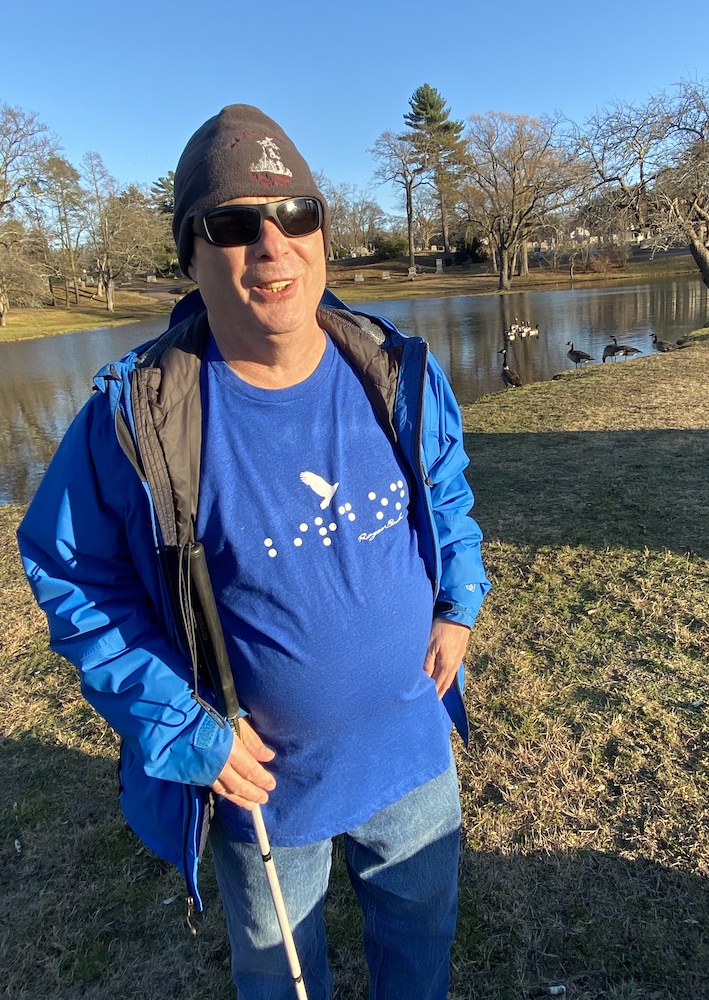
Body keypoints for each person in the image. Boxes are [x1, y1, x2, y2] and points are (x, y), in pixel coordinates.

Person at [17, 105, 490, 1000]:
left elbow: (449, 491)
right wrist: (183, 727)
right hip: (265, 798)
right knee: (279, 980)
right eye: (232, 226)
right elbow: (74, 577)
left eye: (296, 215)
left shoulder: (394, 369)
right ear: (190, 259)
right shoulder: (135, 420)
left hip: (413, 754)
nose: (272, 247)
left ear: (322, 235)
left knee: (419, 948)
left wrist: (457, 600)